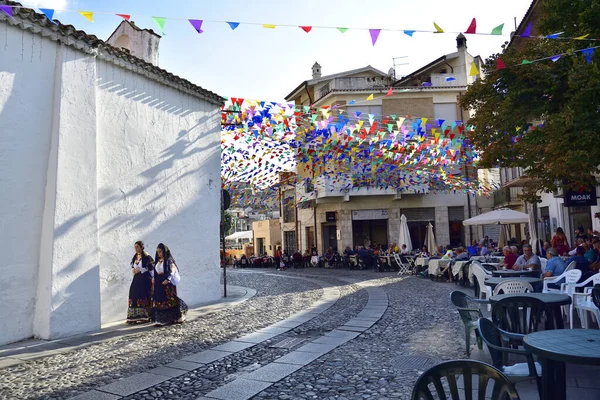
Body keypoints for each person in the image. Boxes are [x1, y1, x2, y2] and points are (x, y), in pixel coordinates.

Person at [151, 243, 188, 326]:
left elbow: (172, 270)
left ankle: (176, 316)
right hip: (159, 283)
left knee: (169, 300)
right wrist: (154, 278)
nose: (159, 253)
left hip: (166, 282)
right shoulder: (158, 261)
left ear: (164, 252)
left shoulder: (169, 261)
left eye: (160, 252)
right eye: (158, 252)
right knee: (160, 300)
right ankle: (162, 319)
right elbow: (156, 271)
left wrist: (168, 279)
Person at [127, 241, 154, 324]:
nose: (136, 249)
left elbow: (151, 267)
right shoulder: (135, 257)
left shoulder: (146, 256)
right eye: (135, 247)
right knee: (133, 293)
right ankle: (133, 317)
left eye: (137, 247)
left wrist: (141, 270)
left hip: (145, 279)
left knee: (142, 295)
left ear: (142, 247)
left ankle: (145, 316)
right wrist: (134, 270)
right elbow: (133, 266)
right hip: (136, 279)